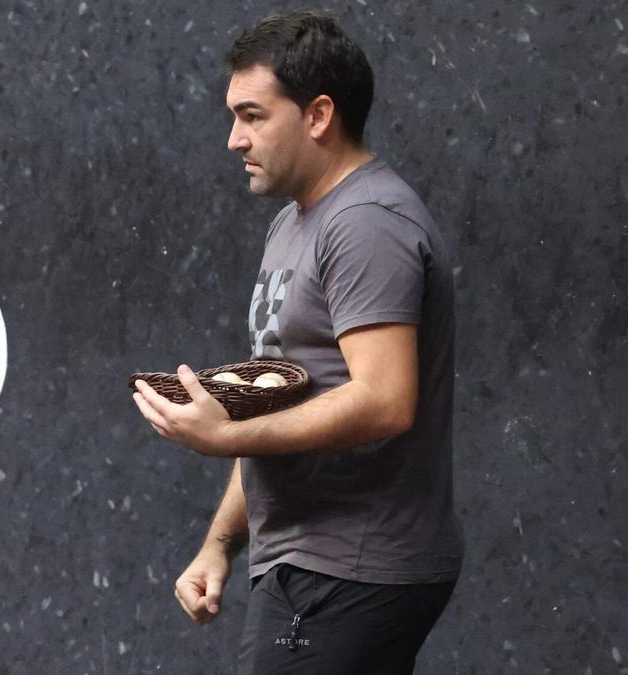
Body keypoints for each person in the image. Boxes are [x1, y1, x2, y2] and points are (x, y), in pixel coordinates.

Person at [132, 10, 463, 674]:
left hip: (349, 567)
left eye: (253, 116)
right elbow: (276, 404)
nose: (234, 139)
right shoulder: (294, 223)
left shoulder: (367, 222)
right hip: (305, 561)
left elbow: (385, 398)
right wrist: (221, 542)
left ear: (317, 116)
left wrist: (223, 435)